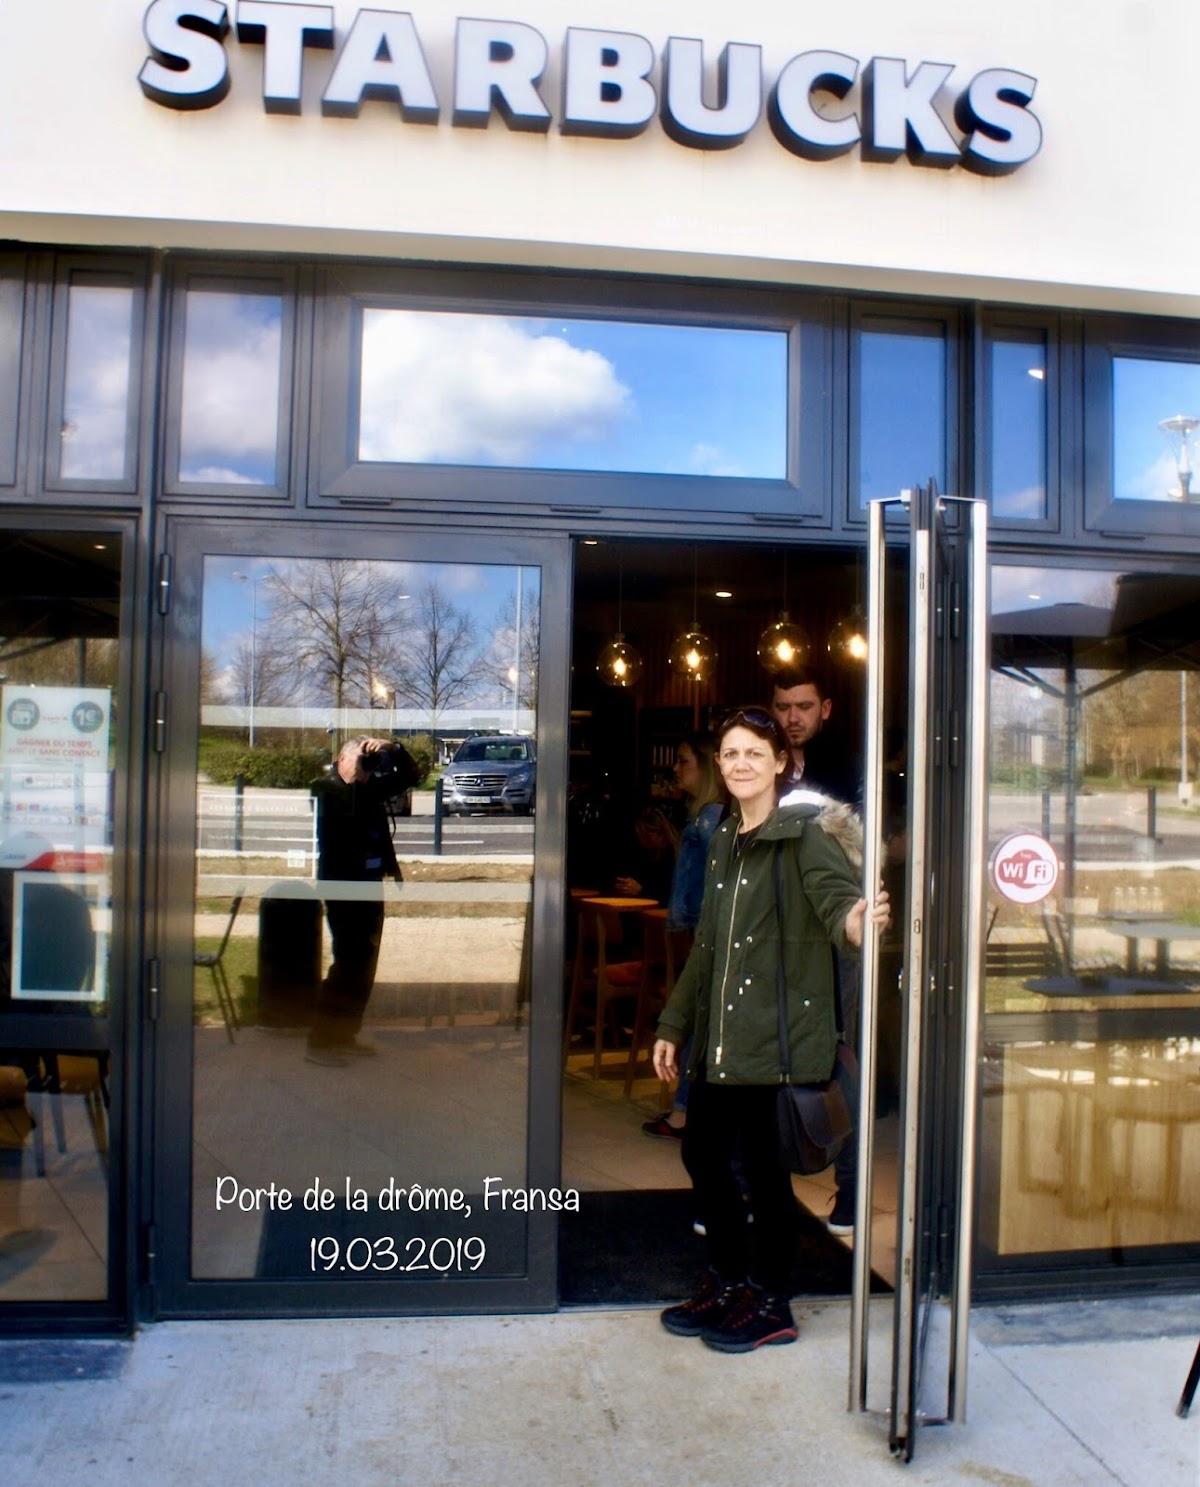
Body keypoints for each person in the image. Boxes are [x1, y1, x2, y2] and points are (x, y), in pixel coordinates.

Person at [652, 706, 888, 1353]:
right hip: (723, 1044)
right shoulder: (725, 836)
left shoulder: (803, 836)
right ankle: (729, 1281)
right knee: (702, 1155)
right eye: (730, 754)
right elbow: (706, 947)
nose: (740, 764)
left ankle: (773, 1301)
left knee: (764, 1175)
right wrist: (674, 1023)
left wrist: (860, 923)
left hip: (775, 1047)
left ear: (780, 762)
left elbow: (840, 905)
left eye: (754, 752)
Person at [305, 735, 418, 1068]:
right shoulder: (325, 788)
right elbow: (344, 816)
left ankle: (345, 1034)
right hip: (342, 887)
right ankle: (322, 1041)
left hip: (370, 885)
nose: (365, 763)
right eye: (359, 756)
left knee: (365, 963)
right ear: (341, 758)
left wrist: (391, 748)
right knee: (347, 961)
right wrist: (358, 776)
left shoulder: (370, 787)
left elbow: (412, 775)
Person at [642, 733, 727, 1142]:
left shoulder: (709, 819)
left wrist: (690, 926)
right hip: (695, 926)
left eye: (684, 761)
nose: (676, 769)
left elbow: (708, 884)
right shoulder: (704, 815)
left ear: (705, 766)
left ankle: (684, 1110)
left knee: (694, 1017)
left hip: (698, 929)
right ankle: (687, 1109)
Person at [770, 665, 858, 805]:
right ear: (772, 711)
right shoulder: (759, 763)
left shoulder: (851, 768)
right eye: (783, 708)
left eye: (804, 707)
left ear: (825, 709)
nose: (793, 718)